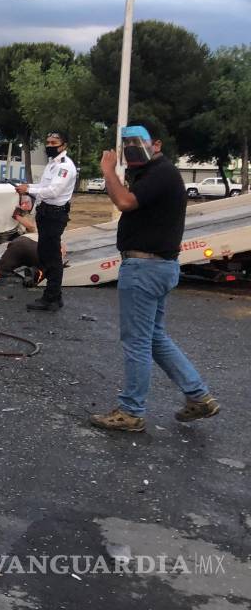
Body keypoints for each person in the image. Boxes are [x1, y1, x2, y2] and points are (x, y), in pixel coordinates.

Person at [88, 125, 219, 433]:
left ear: (156, 144)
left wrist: (108, 170)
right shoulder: (153, 173)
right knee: (155, 338)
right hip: (157, 267)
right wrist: (116, 176)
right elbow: (125, 197)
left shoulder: (161, 172)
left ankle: (131, 411)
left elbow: (124, 203)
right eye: (126, 146)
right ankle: (198, 396)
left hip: (144, 269)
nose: (131, 151)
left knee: (136, 342)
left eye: (137, 144)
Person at [16, 132, 76, 311]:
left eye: (54, 142)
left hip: (55, 215)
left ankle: (51, 298)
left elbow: (53, 191)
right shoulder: (52, 164)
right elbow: (43, 187)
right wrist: (28, 190)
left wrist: (29, 189)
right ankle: (54, 297)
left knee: (52, 257)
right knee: (45, 254)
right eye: (47, 142)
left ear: (63, 145)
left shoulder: (65, 166)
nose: (49, 145)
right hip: (46, 214)